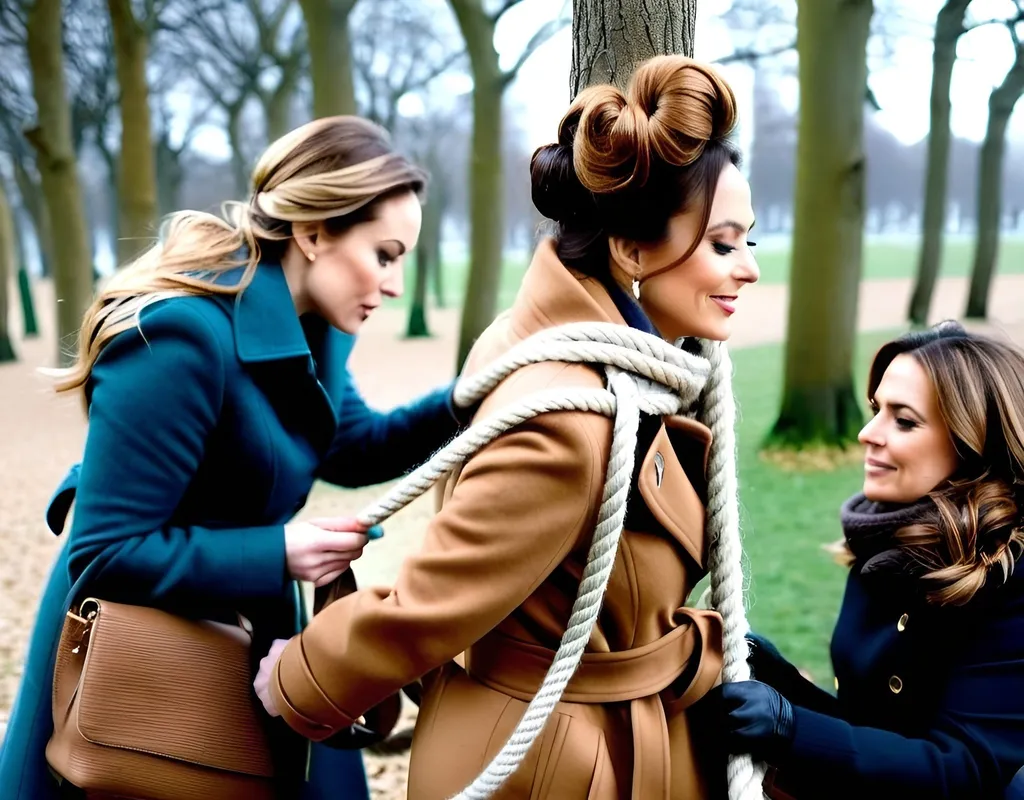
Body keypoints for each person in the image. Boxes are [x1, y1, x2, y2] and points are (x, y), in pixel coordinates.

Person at [254, 55, 760, 799]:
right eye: (722, 243)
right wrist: (303, 677)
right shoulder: (570, 416)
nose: (747, 268)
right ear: (630, 251)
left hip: (597, 737)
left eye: (750, 240)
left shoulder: (583, 354)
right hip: (555, 766)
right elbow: (435, 598)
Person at [0, 115, 473, 800]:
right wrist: (280, 551)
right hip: (138, 665)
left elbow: (353, 444)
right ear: (314, 233)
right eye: (386, 254)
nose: (395, 283)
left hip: (251, 636)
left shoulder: (319, 327)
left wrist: (479, 392)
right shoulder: (178, 336)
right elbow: (103, 554)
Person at [698, 321, 1024, 799]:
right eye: (876, 410)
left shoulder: (1012, 579)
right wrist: (774, 675)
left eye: (904, 420)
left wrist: (787, 726)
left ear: (973, 443)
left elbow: (965, 768)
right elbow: (868, 727)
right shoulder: (887, 547)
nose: (867, 433)